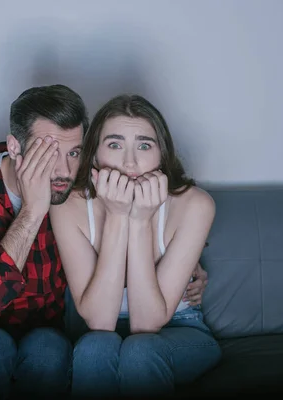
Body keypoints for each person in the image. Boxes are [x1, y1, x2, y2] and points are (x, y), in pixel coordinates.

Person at [0, 84, 209, 399]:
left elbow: (136, 220)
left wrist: (185, 265)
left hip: (39, 331)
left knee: (50, 348)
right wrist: (33, 211)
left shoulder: (74, 187)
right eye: (46, 153)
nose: (62, 169)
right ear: (15, 148)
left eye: (74, 152)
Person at [49, 93, 221, 398]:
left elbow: (146, 324)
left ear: (161, 154)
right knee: (93, 348)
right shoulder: (68, 205)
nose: (130, 162)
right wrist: (117, 216)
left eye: (144, 145)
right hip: (99, 333)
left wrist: (140, 221)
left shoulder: (195, 204)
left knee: (140, 352)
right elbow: (100, 322)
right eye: (114, 145)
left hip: (179, 329)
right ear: (94, 154)